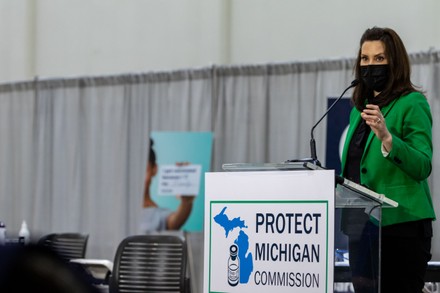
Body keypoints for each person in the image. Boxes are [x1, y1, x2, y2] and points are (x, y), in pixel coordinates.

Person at [340, 27, 436, 292]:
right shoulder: (357, 111)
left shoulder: (412, 103)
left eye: (379, 59)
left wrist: (387, 137)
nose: (371, 66)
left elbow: (422, 165)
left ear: (395, 62)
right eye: (365, 59)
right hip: (361, 226)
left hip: (401, 227)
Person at [139, 138, 195, 233]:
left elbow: (174, 221)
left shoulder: (158, 216)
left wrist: (186, 201)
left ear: (154, 169)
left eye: (143, 170)